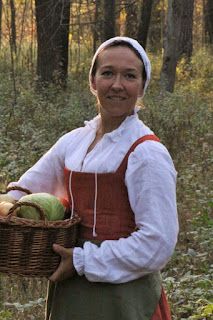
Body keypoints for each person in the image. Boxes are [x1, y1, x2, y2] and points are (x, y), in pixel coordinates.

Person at [2, 36, 179, 320]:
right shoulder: (74, 142)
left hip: (123, 292)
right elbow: (24, 191)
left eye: (129, 75)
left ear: (142, 86)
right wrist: (7, 206)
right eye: (107, 72)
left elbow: (157, 243)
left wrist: (83, 261)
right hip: (71, 283)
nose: (117, 84)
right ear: (93, 81)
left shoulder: (147, 153)